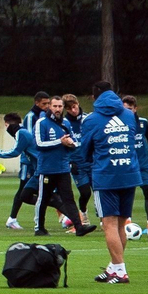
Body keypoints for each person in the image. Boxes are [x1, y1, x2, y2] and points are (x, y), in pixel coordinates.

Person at [81, 86, 142, 283]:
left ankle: (121, 271)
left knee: (109, 224)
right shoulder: (129, 115)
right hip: (129, 174)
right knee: (121, 224)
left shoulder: (91, 119)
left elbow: (84, 151)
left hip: (106, 176)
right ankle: (113, 268)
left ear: (94, 97)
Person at [32, 96, 96, 238]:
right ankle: (39, 228)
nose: (57, 109)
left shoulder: (66, 123)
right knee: (43, 198)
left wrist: (71, 144)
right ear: (50, 107)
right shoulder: (42, 123)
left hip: (63, 168)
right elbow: (38, 144)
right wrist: (59, 142)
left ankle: (79, 227)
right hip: (47, 168)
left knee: (69, 198)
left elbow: (74, 142)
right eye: (55, 106)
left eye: (60, 106)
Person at [0, 112, 37, 230]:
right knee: (26, 191)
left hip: (31, 164)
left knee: (32, 192)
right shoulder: (27, 124)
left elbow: (15, 151)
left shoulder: (23, 130)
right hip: (30, 164)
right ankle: (14, 219)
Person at [121, 96, 148, 227]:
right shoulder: (119, 124)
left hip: (143, 165)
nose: (127, 111)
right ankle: (127, 219)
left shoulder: (143, 123)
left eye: (129, 109)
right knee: (128, 192)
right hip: (128, 165)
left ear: (135, 108)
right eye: (124, 109)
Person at [63, 94, 93, 226]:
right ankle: (83, 213)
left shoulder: (88, 119)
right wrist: (70, 161)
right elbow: (63, 144)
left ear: (78, 103)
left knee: (99, 190)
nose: (73, 110)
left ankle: (104, 219)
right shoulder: (64, 123)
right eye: (69, 109)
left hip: (92, 161)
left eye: (74, 106)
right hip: (77, 163)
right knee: (85, 192)